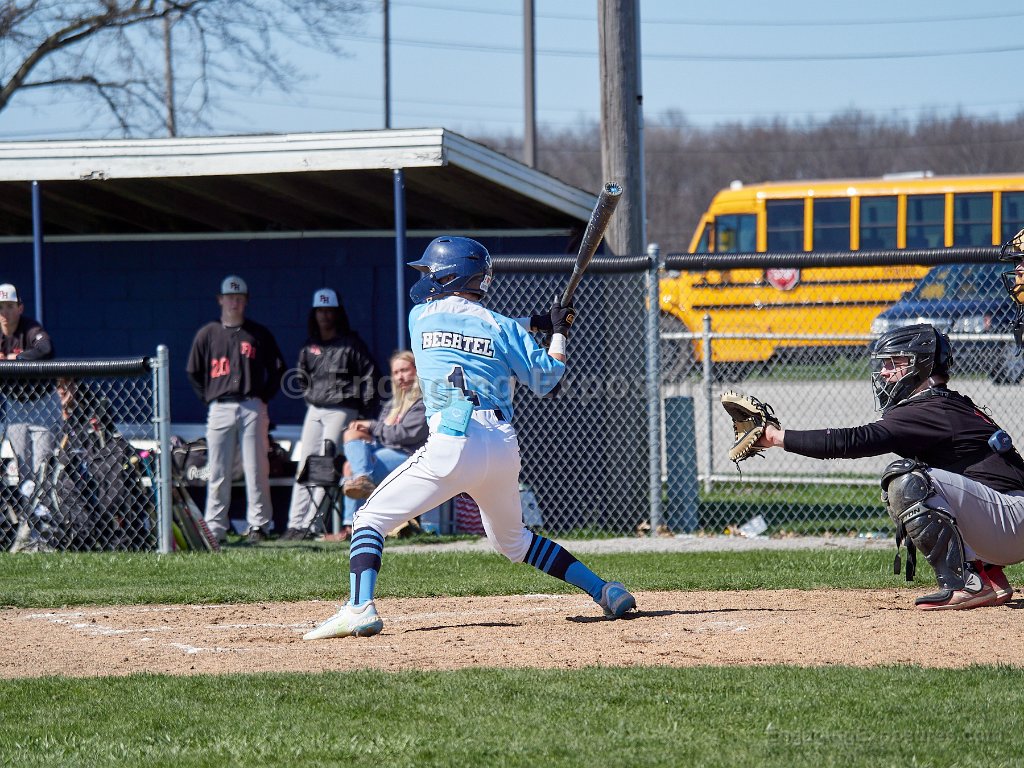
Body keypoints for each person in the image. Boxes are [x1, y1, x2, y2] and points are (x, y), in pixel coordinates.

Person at [304, 235, 636, 640]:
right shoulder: (502, 326)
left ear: (450, 275)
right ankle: (604, 590)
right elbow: (546, 378)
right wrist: (557, 332)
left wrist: (538, 322)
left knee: (369, 519)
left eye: (432, 271)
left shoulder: (419, 316)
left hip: (453, 439)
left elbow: (464, 324)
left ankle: (359, 608)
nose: (427, 278)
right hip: (501, 445)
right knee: (515, 543)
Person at [753, 322, 1024, 610]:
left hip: (1012, 521)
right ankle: (990, 579)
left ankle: (966, 584)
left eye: (894, 363)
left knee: (906, 481)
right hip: (1009, 521)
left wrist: (776, 437)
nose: (884, 372)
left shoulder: (930, 409)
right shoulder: (943, 404)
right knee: (930, 480)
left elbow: (853, 440)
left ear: (921, 365)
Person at [186, 275, 285, 544]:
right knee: (218, 470)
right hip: (220, 406)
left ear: (246, 301)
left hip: (251, 404)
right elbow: (193, 371)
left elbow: (278, 368)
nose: (234, 302)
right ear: (220, 300)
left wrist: (263, 397)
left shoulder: (258, 333)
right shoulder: (208, 333)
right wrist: (208, 397)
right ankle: (215, 528)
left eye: (239, 298)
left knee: (256, 468)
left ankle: (259, 526)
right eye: (230, 297)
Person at [281, 288, 380, 541]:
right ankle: (294, 524)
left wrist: (363, 413)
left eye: (329, 311)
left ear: (338, 313)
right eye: (320, 311)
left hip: (342, 408)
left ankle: (311, 525)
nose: (324, 315)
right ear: (314, 314)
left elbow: (370, 377)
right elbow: (301, 376)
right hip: (315, 409)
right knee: (305, 465)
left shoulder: (351, 343)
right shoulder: (309, 345)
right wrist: (311, 397)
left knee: (325, 465)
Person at [340, 349, 429, 534]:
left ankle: (352, 526)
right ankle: (362, 486)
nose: (400, 377)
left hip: (410, 456)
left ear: (417, 370)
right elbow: (383, 435)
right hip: (387, 450)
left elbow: (404, 435)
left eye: (405, 370)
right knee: (351, 436)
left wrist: (372, 426)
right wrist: (365, 431)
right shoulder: (392, 405)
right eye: (396, 372)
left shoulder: (423, 403)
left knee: (357, 466)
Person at [0, 282, 56, 487]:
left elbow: (46, 349)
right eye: (0, 307)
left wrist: (16, 359)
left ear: (20, 308)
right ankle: (27, 508)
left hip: (43, 403)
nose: (4, 312)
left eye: (10, 306)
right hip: (15, 405)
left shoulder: (30, 328)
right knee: (23, 469)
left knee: (42, 465)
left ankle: (43, 506)